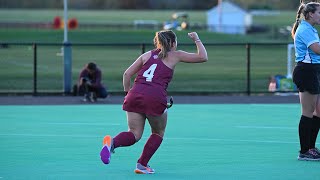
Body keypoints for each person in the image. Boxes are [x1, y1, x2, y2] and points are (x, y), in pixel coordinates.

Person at [100, 30, 208, 174]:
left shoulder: (147, 55)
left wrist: (128, 94)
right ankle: (142, 165)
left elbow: (127, 74)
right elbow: (203, 57)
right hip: (155, 97)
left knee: (134, 133)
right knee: (158, 132)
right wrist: (197, 39)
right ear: (172, 43)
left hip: (135, 95)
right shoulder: (176, 55)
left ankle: (112, 142)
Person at [291, 1, 320, 161]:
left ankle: (311, 148)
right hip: (306, 71)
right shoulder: (305, 29)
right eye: (319, 12)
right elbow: (317, 49)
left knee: (318, 111)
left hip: (314, 70)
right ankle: (304, 151)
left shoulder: (310, 29)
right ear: (310, 14)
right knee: (308, 112)